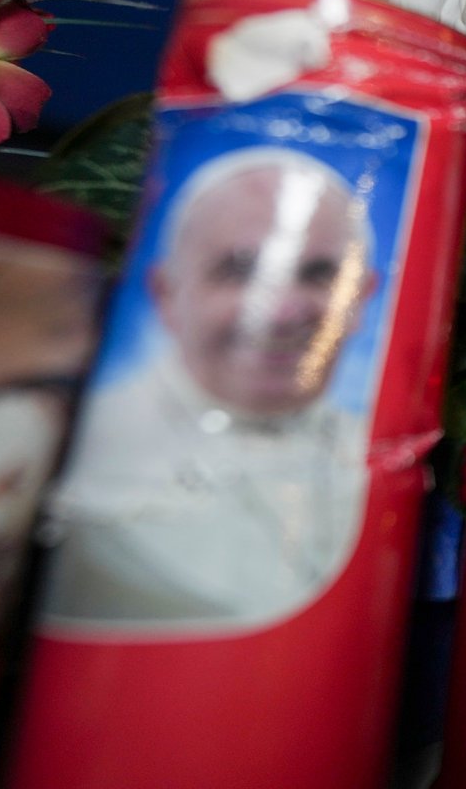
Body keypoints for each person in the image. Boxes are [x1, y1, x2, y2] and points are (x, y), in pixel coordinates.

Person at [42, 147, 378, 625]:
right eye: (239, 272)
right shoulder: (85, 442)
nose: (281, 312)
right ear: (166, 295)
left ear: (362, 298)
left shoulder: (376, 449)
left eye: (318, 274)